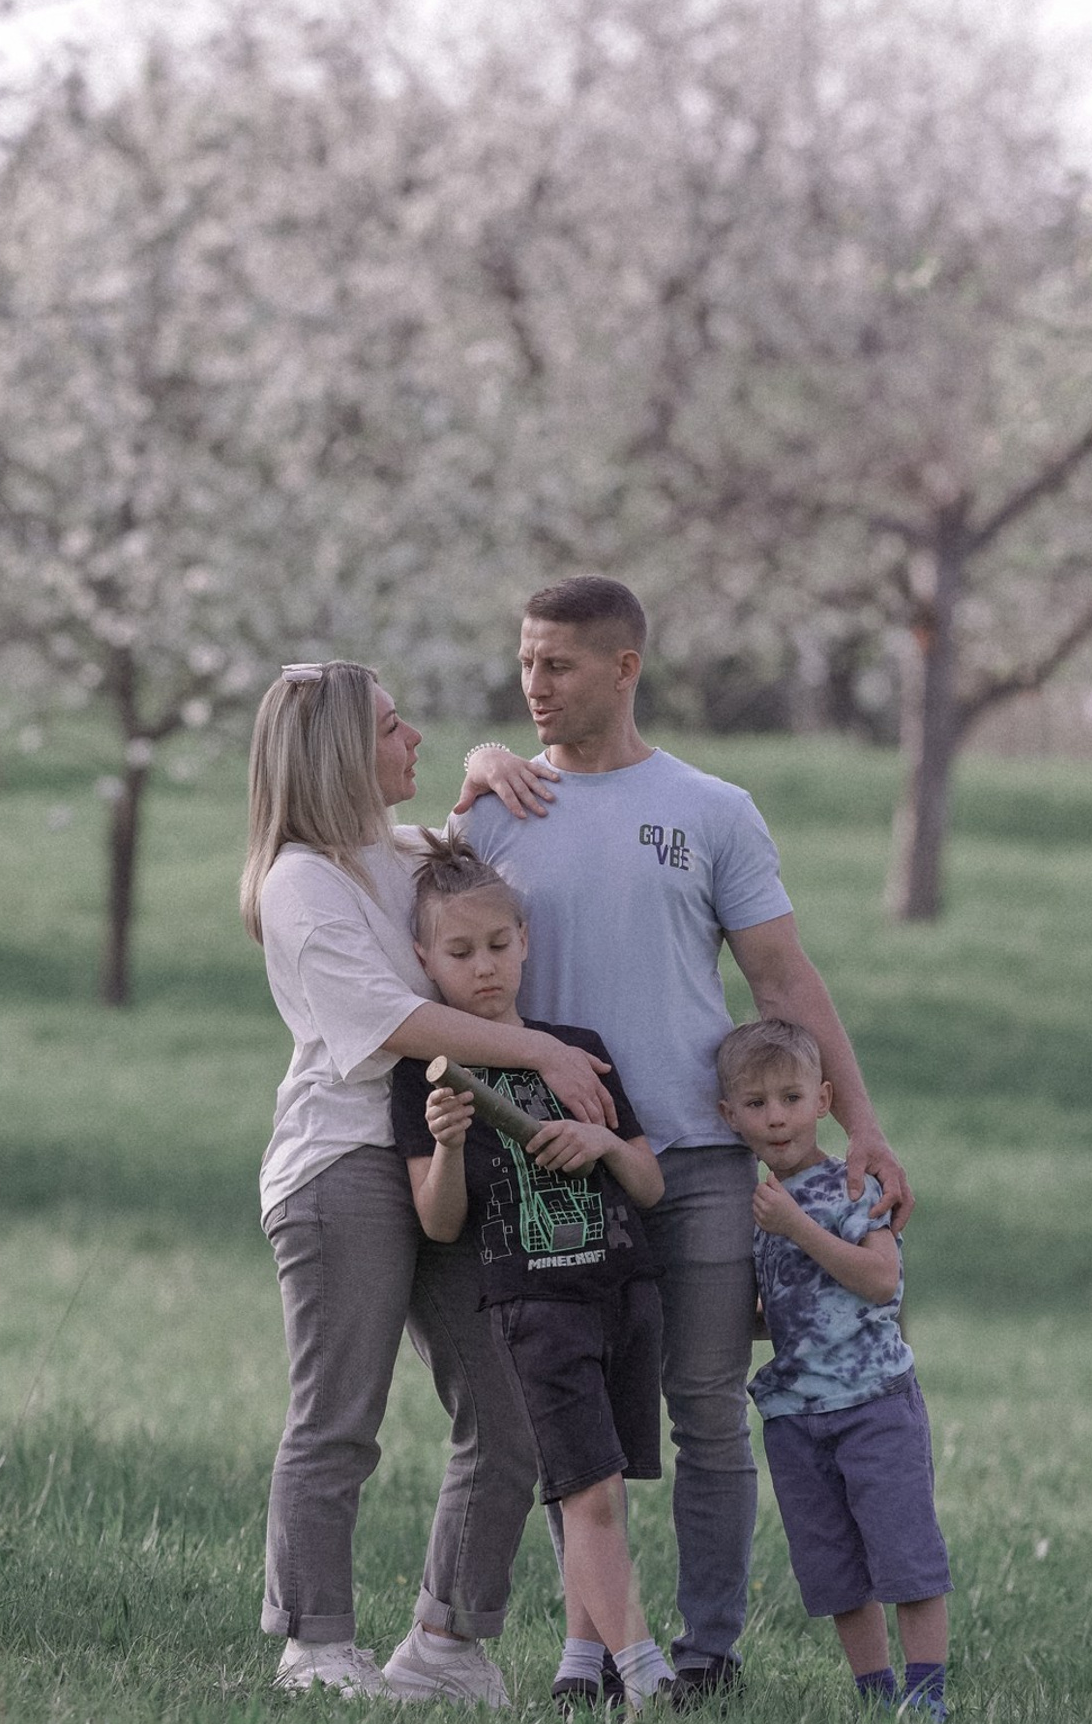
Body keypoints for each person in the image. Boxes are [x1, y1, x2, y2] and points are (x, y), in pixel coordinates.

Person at [454, 574, 912, 1703]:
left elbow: (780, 976)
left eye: (557, 664)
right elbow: (433, 936)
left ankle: (709, 1649)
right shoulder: (499, 808)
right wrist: (470, 770)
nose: (534, 686)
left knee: (705, 1403)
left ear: (625, 668)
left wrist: (865, 1126)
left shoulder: (712, 809)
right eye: (524, 663)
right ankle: (595, 1653)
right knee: (573, 1414)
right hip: (552, 1166)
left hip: (701, 1161)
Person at [241, 658, 618, 1703]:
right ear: (337, 756)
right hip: (342, 1165)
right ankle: (314, 1648)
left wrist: (486, 766)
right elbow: (390, 1023)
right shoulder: (301, 883)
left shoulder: (400, 855)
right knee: (339, 1417)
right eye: (392, 726)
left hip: (446, 1151)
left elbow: (461, 850)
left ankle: (446, 1646)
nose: (414, 738)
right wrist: (539, 1052)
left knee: (508, 1408)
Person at [391, 832, 674, 1713]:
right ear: (424, 959)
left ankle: (581, 1668)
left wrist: (600, 1141)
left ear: (525, 943)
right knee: (586, 1493)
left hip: (622, 1294)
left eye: (500, 947)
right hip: (531, 1308)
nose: (485, 969)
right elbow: (438, 1224)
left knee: (606, 1489)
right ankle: (647, 1674)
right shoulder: (423, 1075)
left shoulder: (575, 1046)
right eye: (460, 952)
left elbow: (650, 1182)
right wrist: (444, 1147)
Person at [715, 1019, 951, 1720]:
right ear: (729, 1116)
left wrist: (796, 1229)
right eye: (755, 1104)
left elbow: (881, 1280)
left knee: (905, 1555)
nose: (776, 1116)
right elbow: (788, 1309)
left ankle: (926, 1697)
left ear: (822, 1099)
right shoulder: (755, 1206)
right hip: (795, 1417)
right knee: (835, 1571)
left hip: (875, 1402)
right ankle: (877, 1700)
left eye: (790, 1097)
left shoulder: (851, 1183)